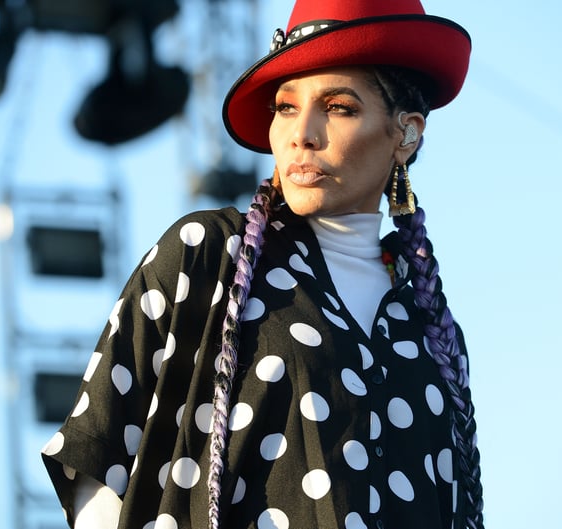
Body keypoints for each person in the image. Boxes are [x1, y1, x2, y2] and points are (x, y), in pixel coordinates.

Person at [41, 1, 484, 528]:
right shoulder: (206, 252)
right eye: (286, 107)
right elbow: (100, 462)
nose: (302, 134)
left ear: (406, 134)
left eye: (339, 107)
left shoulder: (434, 330)